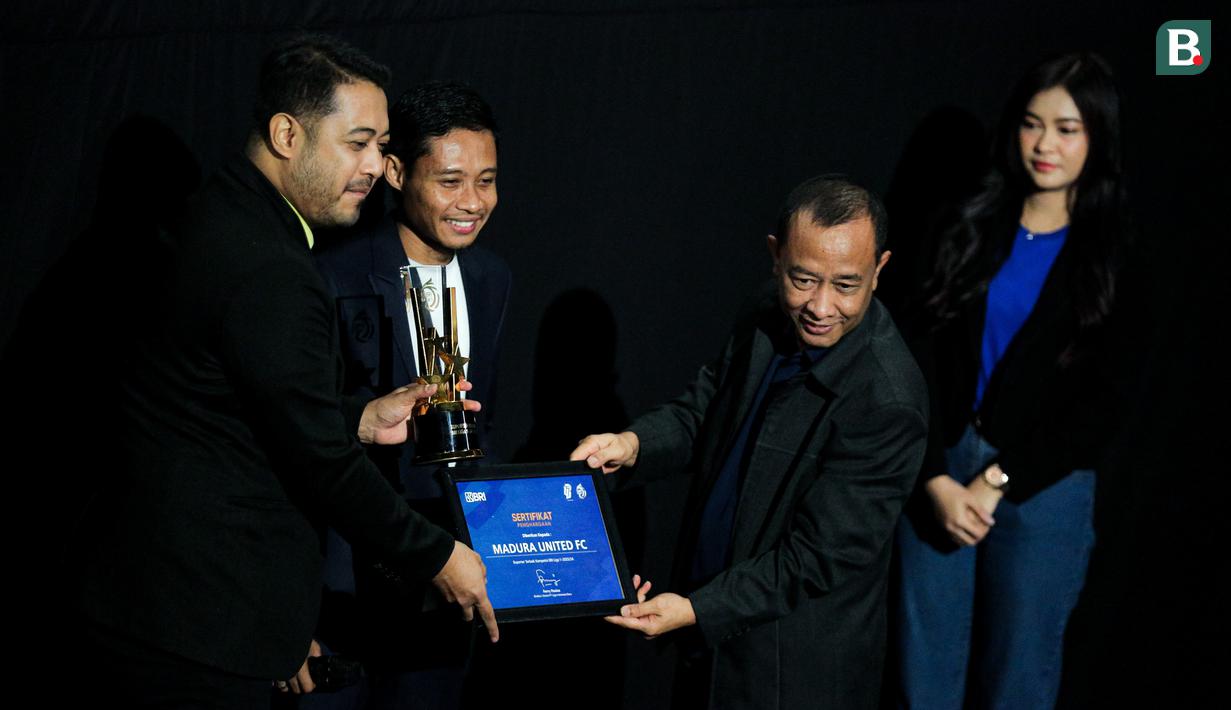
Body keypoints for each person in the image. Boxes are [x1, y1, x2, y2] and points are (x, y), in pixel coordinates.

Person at [71, 35, 497, 709]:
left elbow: (230, 403)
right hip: (194, 630)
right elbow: (320, 464)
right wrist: (438, 557)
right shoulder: (271, 268)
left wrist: (355, 418)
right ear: (286, 134)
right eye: (356, 143)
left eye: (382, 145)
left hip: (152, 611)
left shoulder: (217, 216)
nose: (373, 166)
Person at [572, 176, 928, 710]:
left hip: (789, 670)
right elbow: (706, 409)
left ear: (879, 270)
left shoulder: (888, 401)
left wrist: (697, 610)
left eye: (846, 285)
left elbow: (813, 558)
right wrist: (632, 444)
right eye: (803, 279)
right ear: (775, 256)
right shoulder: (767, 313)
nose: (821, 307)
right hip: (709, 632)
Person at [893, 52, 1128, 709]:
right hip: (937, 472)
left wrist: (998, 480)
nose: (1045, 144)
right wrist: (935, 478)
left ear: (1096, 137)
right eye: (1032, 124)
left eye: (1066, 128)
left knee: (1017, 683)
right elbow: (916, 352)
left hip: (1040, 488)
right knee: (923, 679)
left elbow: (1106, 402)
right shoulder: (964, 224)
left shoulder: (1112, 254)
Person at [312, 81, 510, 709]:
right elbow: (295, 435)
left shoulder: (491, 277)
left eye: (487, 181)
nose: (472, 203)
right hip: (341, 588)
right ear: (396, 171)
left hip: (443, 588)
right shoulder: (330, 272)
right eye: (450, 181)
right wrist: (293, 613)